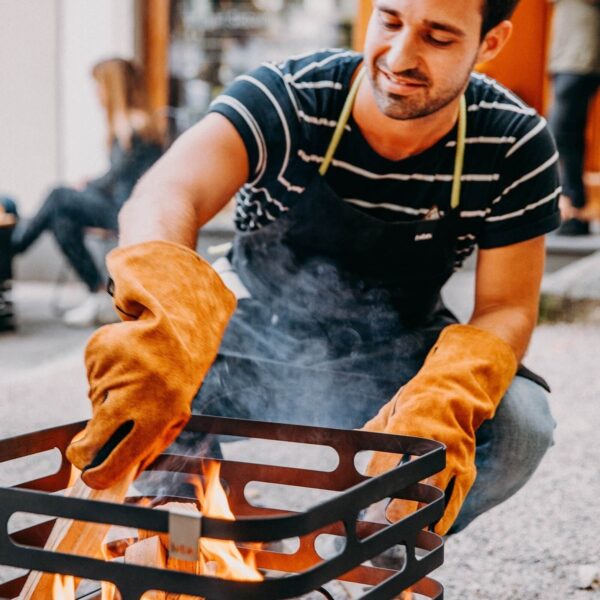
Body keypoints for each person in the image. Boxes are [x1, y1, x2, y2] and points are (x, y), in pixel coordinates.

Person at [67, 0, 560, 539]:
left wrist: (449, 397)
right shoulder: (292, 96)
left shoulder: (514, 141)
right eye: (390, 21)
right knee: (142, 395)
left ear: (490, 43)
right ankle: (182, 543)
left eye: (437, 38)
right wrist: (164, 319)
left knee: (521, 425)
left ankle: (378, 546)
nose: (399, 56)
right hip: (250, 335)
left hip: (399, 353)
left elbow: (506, 307)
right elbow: (165, 191)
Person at [8, 57, 164, 326]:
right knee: (61, 217)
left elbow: (120, 179)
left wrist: (88, 186)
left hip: (127, 210)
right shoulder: (132, 124)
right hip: (121, 204)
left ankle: (14, 244)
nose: (96, 94)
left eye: (99, 87)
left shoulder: (134, 127)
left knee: (59, 195)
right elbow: (119, 175)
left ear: (113, 87)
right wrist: (91, 183)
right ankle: (98, 294)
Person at [547, 0, 600, 235]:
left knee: (560, 132)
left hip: (580, 56)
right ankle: (572, 207)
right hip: (564, 54)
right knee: (567, 133)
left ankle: (571, 206)